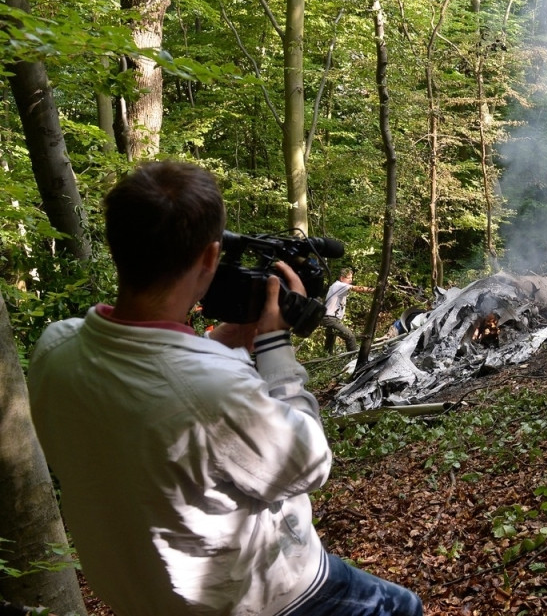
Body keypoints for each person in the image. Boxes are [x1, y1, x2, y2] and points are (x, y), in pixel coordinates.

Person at [27, 161, 422, 616]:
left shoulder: (56, 347)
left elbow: (154, 382)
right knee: (403, 607)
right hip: (260, 599)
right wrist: (274, 346)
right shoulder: (212, 393)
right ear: (211, 257)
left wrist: (227, 341)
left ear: (116, 247)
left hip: (142, 596)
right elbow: (311, 463)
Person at [321, 268, 374, 353]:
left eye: (351, 278)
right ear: (342, 278)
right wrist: (374, 290)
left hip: (328, 318)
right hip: (330, 319)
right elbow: (357, 288)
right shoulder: (340, 285)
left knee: (329, 343)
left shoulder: (335, 285)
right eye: (349, 278)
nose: (351, 280)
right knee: (350, 337)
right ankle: (354, 359)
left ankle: (326, 357)